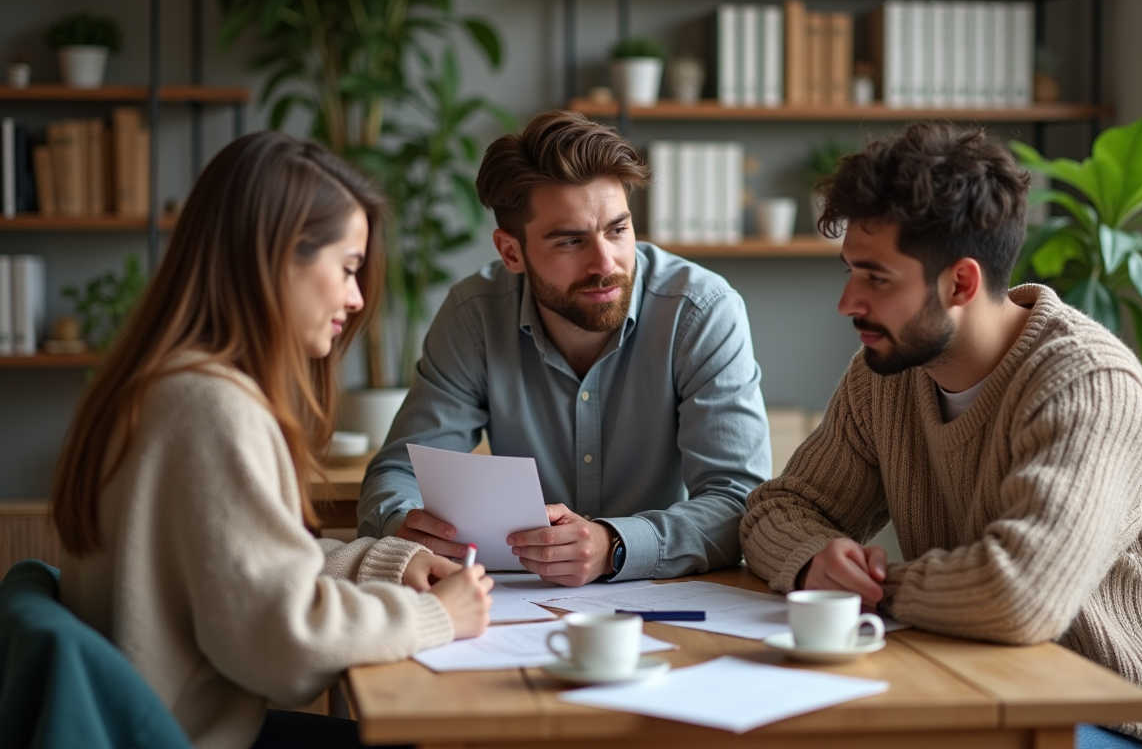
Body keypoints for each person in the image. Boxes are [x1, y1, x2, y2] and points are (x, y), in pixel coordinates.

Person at [739, 122, 1142, 749]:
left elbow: (1018, 596)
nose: (847, 301)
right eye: (850, 271)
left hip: (1106, 712)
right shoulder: (888, 373)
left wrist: (874, 588)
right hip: (966, 675)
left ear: (960, 283)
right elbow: (779, 507)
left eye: (877, 278)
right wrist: (815, 560)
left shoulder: (1089, 384)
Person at [51, 131, 494, 749]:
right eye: (346, 268)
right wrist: (436, 617)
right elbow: (283, 644)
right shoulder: (213, 408)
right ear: (278, 256)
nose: (356, 298)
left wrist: (390, 561)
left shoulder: (162, 385)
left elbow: (250, 567)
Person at [358, 109, 772, 586]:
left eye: (618, 230)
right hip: (515, 601)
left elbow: (739, 500)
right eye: (571, 241)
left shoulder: (701, 311)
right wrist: (405, 528)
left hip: (668, 597)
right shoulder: (474, 315)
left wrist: (614, 544)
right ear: (511, 252)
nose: (606, 263)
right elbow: (398, 471)